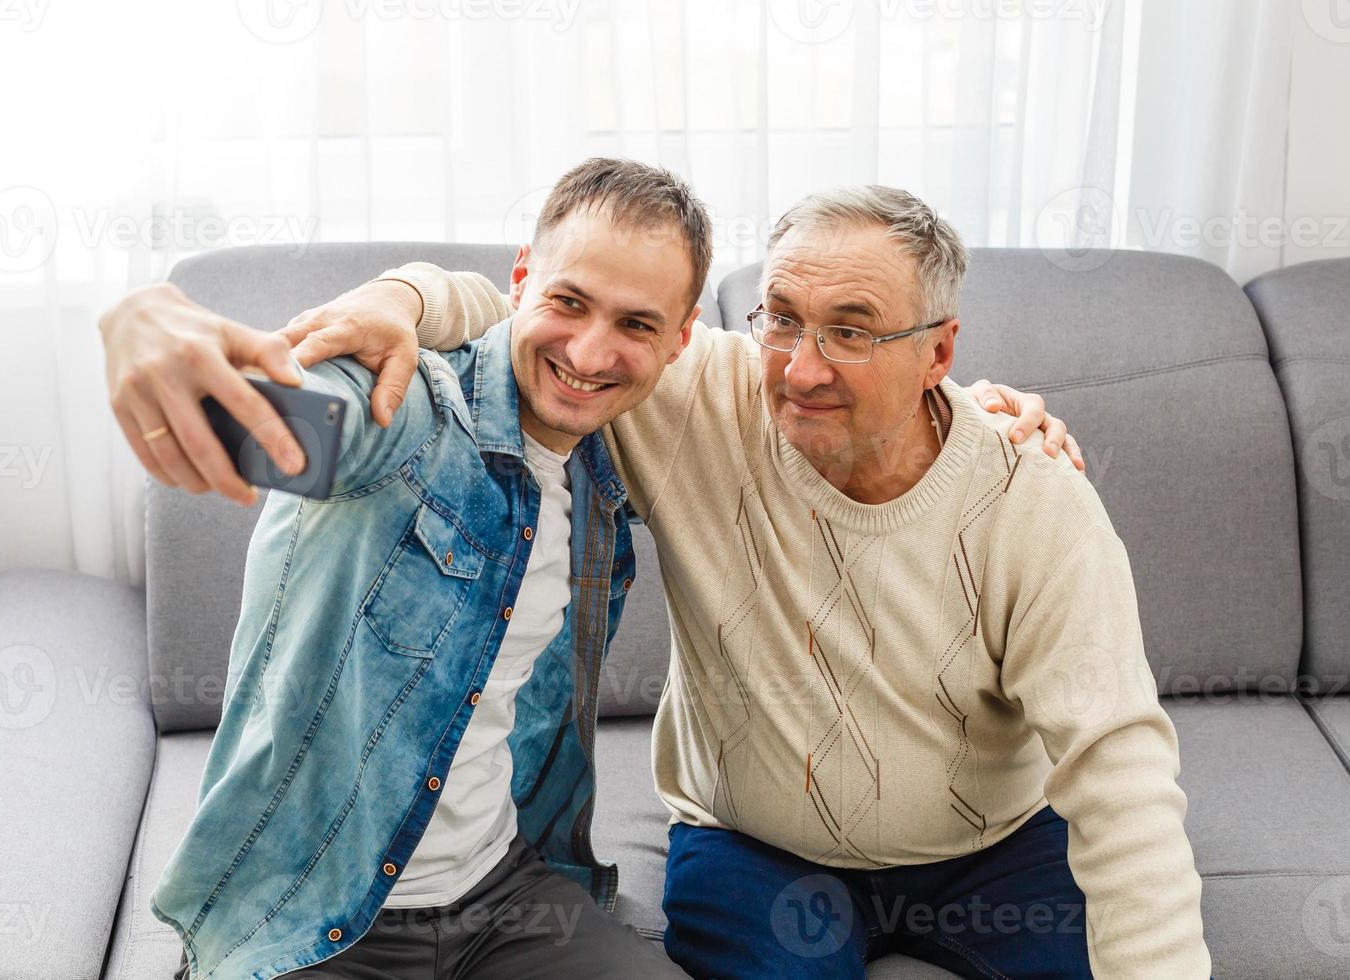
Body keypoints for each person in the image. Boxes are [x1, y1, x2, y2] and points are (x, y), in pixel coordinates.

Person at [99, 161, 1076, 978]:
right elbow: (263, 422)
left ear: (680, 340)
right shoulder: (401, 409)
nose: (592, 351)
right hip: (318, 902)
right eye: (567, 301)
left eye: (636, 325)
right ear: (522, 282)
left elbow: (874, 409)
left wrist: (977, 415)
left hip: (513, 897)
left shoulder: (615, 462)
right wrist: (144, 319)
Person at [290, 185, 1212, 977]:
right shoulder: (686, 387)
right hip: (756, 847)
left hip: (992, 849)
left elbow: (1121, 772)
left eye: (851, 331)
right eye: (781, 318)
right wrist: (400, 299)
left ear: (938, 352)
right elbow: (534, 312)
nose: (801, 369)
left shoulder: (1031, 497)